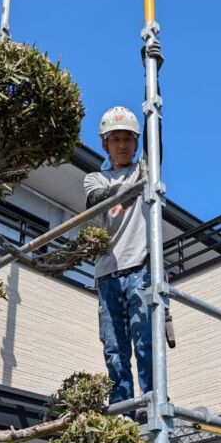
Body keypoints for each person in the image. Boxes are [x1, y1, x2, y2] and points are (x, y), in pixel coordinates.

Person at [83, 106, 152, 406]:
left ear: (136, 143)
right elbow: (97, 200)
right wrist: (127, 188)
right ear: (105, 144)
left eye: (128, 139)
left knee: (146, 341)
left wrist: (153, 88)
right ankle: (123, 409)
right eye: (115, 139)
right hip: (107, 273)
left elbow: (157, 141)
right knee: (114, 349)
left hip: (140, 268)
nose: (122, 145)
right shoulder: (94, 179)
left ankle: (151, 404)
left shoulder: (146, 169)